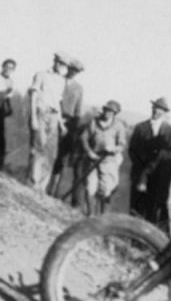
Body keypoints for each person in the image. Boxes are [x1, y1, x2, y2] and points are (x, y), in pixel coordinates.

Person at [127, 96, 171, 225]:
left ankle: (144, 243)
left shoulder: (170, 131)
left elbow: (170, 155)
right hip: (139, 173)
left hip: (158, 178)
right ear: (152, 108)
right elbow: (132, 150)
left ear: (165, 113)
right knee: (136, 207)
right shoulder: (140, 127)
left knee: (152, 209)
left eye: (160, 110)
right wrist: (141, 168)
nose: (156, 111)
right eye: (155, 108)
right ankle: (131, 238)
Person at [25, 52, 65, 193]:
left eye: (64, 64)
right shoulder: (41, 75)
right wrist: (33, 118)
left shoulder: (61, 81)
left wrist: (60, 122)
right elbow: (33, 95)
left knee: (51, 152)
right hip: (41, 113)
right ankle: (33, 182)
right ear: (54, 61)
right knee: (38, 148)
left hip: (54, 116)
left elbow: (58, 102)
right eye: (59, 63)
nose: (61, 66)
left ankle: (42, 186)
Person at [79, 100, 127, 215]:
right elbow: (84, 138)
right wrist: (89, 151)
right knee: (90, 188)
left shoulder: (118, 126)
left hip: (109, 161)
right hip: (93, 159)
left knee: (106, 191)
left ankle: (102, 219)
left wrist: (114, 148)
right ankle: (90, 216)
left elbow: (122, 144)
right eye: (106, 110)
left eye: (110, 111)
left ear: (115, 113)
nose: (107, 113)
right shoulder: (94, 122)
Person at [50, 58, 84, 202]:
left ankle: (53, 190)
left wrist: (74, 129)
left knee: (61, 157)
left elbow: (78, 110)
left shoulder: (78, 88)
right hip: (53, 117)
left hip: (69, 123)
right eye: (71, 69)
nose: (73, 72)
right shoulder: (57, 80)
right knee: (49, 151)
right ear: (68, 68)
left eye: (76, 71)